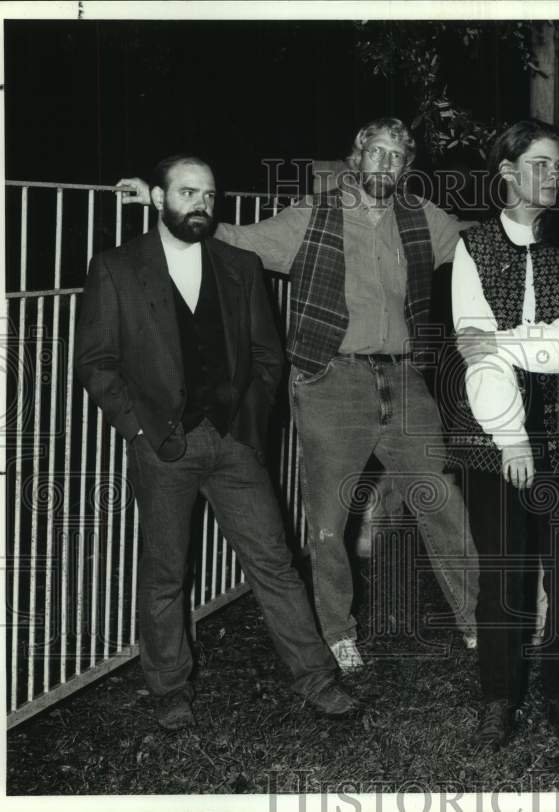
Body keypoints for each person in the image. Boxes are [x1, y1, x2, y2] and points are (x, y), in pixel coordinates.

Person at [116, 118, 478, 673]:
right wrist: (156, 203)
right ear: (356, 159)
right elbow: (236, 239)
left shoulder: (424, 218)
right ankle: (337, 631)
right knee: (329, 518)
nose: (385, 163)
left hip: (406, 380)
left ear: (407, 168)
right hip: (331, 379)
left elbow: (482, 241)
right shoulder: (314, 214)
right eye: (374, 152)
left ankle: (477, 622)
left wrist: (530, 212)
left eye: (397, 156)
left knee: (443, 501)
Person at [76, 156, 358, 730]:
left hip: (233, 444)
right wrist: (137, 429)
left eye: (207, 193)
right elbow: (97, 363)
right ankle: (168, 687)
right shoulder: (116, 269)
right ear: (157, 198)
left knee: (275, 563)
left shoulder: (239, 265)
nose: (200, 203)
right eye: (186, 192)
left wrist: (251, 425)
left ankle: (316, 676)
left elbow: (267, 355)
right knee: (165, 573)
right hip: (161, 446)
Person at [449, 119, 559, 750]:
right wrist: (511, 436)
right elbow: (472, 349)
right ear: (507, 172)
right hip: (494, 438)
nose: (554, 174)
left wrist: (505, 341)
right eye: (540, 162)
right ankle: (498, 700)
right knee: (502, 574)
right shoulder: (473, 247)